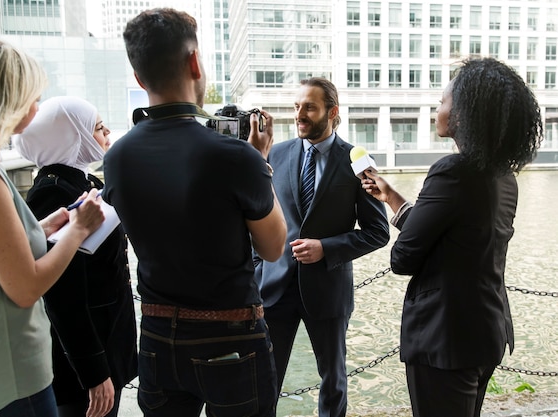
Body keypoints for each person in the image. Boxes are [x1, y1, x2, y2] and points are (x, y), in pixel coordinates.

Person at [102, 8, 287, 417]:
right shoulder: (236, 157)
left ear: (139, 77)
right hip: (231, 338)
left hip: (154, 339)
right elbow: (273, 247)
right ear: (195, 62)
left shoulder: (116, 158)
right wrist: (261, 164)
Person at [0, 38, 105, 417]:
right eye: (31, 96)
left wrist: (41, 228)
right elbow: (26, 287)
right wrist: (77, 229)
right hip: (5, 378)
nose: (36, 107)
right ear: (4, 99)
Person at [361, 57, 543, 417]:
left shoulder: (451, 172)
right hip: (485, 331)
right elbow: (457, 239)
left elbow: (404, 259)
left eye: (443, 101)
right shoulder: (503, 176)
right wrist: (393, 198)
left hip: (445, 340)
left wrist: (404, 224)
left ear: (464, 114)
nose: (437, 108)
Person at [256, 77, 390, 417]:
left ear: (332, 112)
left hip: (328, 289)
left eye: (309, 108)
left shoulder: (358, 161)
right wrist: (258, 269)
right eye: (297, 107)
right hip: (274, 287)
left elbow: (378, 231)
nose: (300, 114)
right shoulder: (277, 152)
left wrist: (325, 247)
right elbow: (257, 218)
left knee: (333, 381)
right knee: (264, 381)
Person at [13, 96, 138, 417]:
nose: (107, 131)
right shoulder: (53, 191)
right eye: (97, 127)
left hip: (107, 341)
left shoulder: (84, 181)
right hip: (83, 361)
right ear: (72, 136)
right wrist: (94, 372)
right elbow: (62, 294)